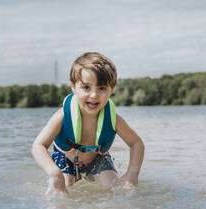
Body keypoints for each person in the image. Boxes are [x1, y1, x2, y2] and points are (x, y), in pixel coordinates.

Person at [32, 52, 145, 194]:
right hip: (66, 158)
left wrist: (132, 175)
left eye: (102, 88)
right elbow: (38, 146)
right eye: (86, 87)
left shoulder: (114, 119)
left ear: (112, 89)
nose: (94, 95)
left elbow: (137, 143)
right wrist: (54, 173)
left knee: (117, 189)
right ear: (73, 86)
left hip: (97, 159)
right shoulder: (62, 116)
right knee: (64, 189)